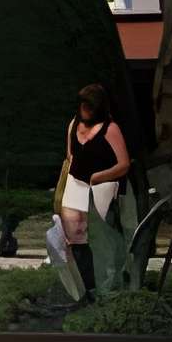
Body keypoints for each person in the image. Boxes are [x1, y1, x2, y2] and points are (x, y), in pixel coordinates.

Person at [62, 82, 133, 248]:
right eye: (83, 106)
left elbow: (124, 164)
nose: (85, 110)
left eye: (90, 107)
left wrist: (99, 177)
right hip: (76, 182)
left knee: (95, 231)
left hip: (100, 186)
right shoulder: (74, 124)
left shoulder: (110, 129)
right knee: (72, 230)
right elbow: (70, 154)